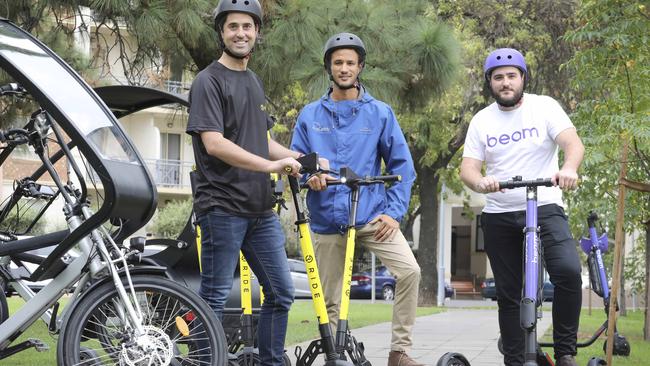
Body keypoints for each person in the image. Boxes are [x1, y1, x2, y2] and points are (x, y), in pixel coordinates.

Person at [290, 32, 422, 366]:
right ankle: (335, 358)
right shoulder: (309, 115)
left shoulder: (379, 113)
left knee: (409, 272)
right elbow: (297, 162)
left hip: (370, 216)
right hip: (326, 219)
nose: (345, 68)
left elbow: (402, 167)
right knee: (331, 301)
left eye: (350, 62)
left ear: (360, 66)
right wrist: (311, 178)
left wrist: (394, 213)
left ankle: (400, 352)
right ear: (329, 67)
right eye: (338, 62)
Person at [185, 1, 304, 365]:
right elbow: (215, 143)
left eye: (248, 27)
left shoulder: (253, 81)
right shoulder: (208, 81)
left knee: (282, 292)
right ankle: (206, 361)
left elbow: (260, 139)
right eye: (233, 26)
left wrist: (300, 159)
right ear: (221, 32)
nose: (241, 33)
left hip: (260, 208)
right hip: (222, 206)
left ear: (256, 33)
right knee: (215, 297)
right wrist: (272, 165)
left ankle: (270, 361)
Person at [459, 48, 585, 366]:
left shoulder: (545, 107)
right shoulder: (482, 120)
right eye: (498, 77)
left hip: (544, 204)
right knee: (509, 292)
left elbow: (573, 143)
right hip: (500, 211)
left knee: (568, 272)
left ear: (523, 78)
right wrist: (480, 182)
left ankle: (565, 351)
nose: (505, 82)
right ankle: (515, 360)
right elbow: (468, 169)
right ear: (490, 82)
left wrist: (569, 168)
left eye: (511, 76)